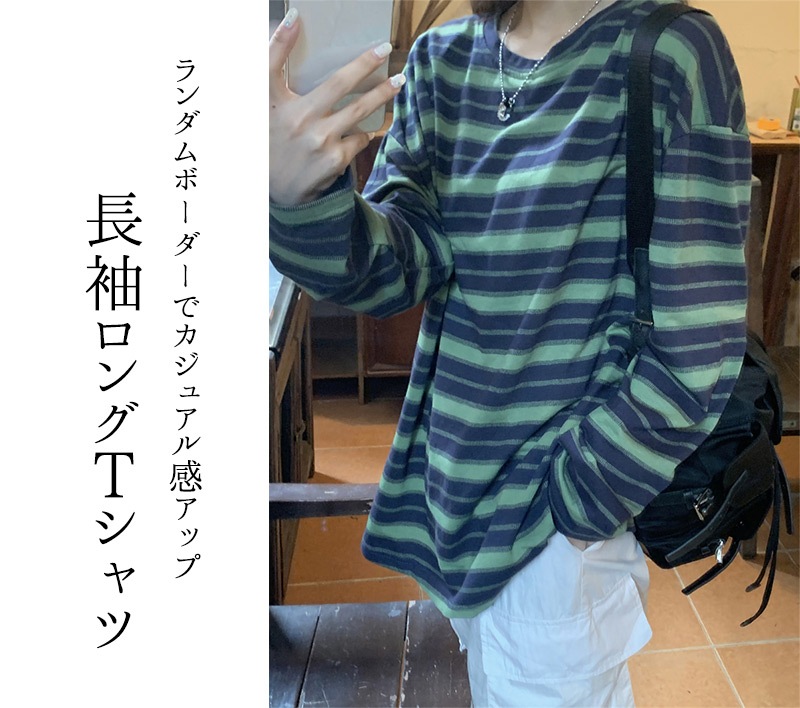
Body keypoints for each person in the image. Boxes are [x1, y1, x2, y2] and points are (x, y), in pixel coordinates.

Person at [269, 0, 751, 704]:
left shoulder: (673, 51)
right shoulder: (441, 60)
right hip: (453, 506)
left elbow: (697, 346)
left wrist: (573, 510)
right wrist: (297, 195)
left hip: (554, 532)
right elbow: (395, 272)